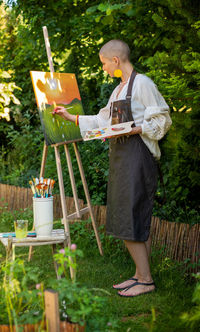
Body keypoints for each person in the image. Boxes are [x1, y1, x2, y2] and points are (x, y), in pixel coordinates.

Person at [53, 40, 172, 297]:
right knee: (131, 216)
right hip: (121, 157)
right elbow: (102, 120)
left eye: (105, 63)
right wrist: (70, 117)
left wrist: (138, 128)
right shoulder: (119, 90)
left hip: (138, 158)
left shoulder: (143, 84)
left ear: (116, 61)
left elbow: (162, 118)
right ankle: (140, 275)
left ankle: (146, 281)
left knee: (131, 216)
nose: (104, 68)